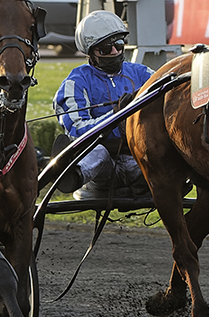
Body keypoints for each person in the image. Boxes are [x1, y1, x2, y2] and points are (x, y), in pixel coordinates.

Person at [52, 11, 153, 200]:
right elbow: (76, 129)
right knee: (97, 151)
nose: (114, 51)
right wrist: (116, 115)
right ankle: (72, 174)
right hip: (102, 169)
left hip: (139, 160)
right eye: (106, 48)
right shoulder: (76, 81)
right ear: (91, 52)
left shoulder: (143, 74)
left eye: (119, 45)